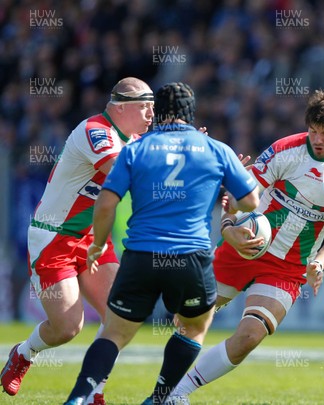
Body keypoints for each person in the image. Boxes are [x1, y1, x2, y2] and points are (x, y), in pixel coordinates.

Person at [166, 87, 324, 403]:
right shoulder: (285, 149)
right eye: (313, 131)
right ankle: (156, 390)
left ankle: (178, 394)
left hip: (288, 267)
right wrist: (228, 226)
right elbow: (241, 196)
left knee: (249, 336)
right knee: (188, 321)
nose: (317, 139)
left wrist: (320, 263)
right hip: (243, 246)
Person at [63, 82, 260, 405]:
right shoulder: (215, 149)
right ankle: (159, 397)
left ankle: (79, 397)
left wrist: (98, 244)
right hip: (190, 258)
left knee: (114, 332)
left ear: (157, 114)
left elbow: (105, 203)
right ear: (191, 114)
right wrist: (229, 197)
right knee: (195, 326)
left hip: (140, 256)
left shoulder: (134, 150)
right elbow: (251, 200)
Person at [1, 77, 154, 405]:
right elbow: (123, 171)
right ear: (121, 106)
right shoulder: (95, 131)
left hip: (92, 238)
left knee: (122, 316)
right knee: (68, 327)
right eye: (145, 106)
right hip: (54, 236)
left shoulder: (136, 139)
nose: (151, 113)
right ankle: (23, 354)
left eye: (153, 107)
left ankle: (95, 389)